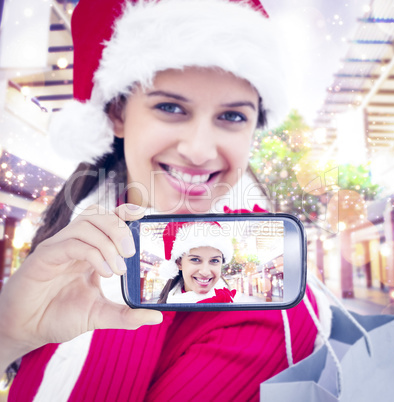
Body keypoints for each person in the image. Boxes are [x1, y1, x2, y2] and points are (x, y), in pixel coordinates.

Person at [0, 0, 331, 400]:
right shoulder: (72, 241)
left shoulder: (268, 300)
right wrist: (10, 334)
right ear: (118, 113)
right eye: (170, 107)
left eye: (232, 116)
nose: (198, 150)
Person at [156, 221, 236, 303]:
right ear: (179, 263)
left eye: (214, 260)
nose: (205, 272)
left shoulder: (237, 312)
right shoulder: (157, 312)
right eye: (195, 259)